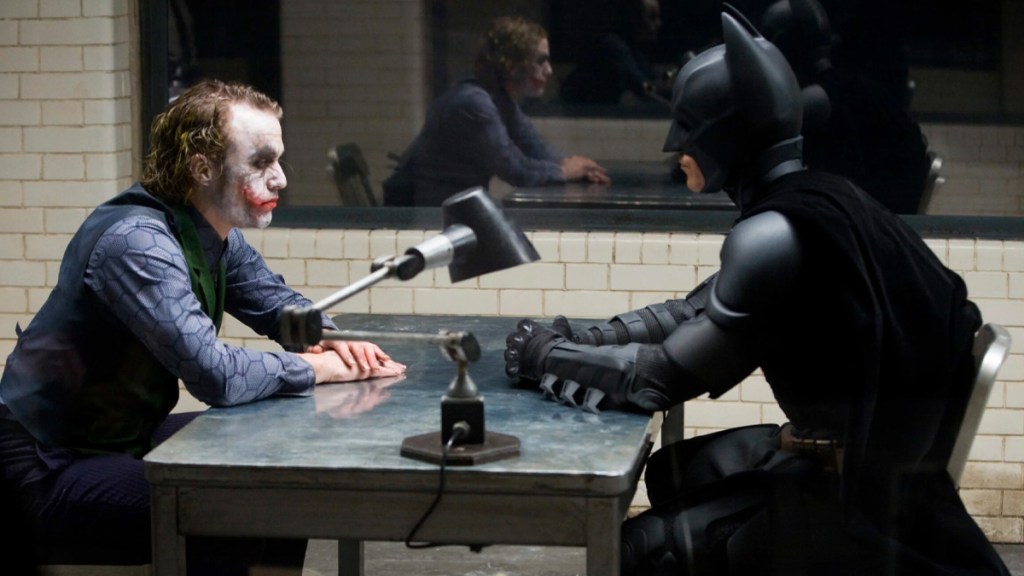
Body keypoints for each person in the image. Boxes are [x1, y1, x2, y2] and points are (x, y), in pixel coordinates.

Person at [504, 7, 1010, 576]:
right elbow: (692, 311)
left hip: (861, 501)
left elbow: (658, 380)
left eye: (689, 125)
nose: (675, 143)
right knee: (677, 469)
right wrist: (580, 337)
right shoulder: (814, 200)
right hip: (869, 468)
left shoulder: (773, 235)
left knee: (645, 552)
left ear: (729, 133)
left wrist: (545, 354)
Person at [0, 80, 406, 574]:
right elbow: (215, 375)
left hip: (123, 436)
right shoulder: (138, 243)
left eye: (278, 161)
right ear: (202, 168)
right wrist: (316, 368)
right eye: (260, 162)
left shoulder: (206, 231)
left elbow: (280, 306)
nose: (279, 179)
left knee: (287, 473)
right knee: (226, 506)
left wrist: (335, 338)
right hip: (48, 463)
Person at [382, 15, 610, 207]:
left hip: (450, 208)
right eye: (540, 61)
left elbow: (533, 146)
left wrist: (574, 166)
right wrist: (564, 171)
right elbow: (515, 169)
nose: (548, 70)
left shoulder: (498, 99)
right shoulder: (473, 104)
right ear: (513, 64)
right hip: (424, 215)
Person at [760, 0, 932, 214]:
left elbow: (765, 137)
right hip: (879, 209)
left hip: (873, 214)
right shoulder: (846, 84)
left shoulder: (820, 98)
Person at [559, 0, 675, 108]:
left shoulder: (632, 49)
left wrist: (674, 77)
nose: (659, 24)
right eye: (652, 17)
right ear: (633, 18)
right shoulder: (615, 48)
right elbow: (644, 88)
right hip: (575, 113)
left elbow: (655, 80)